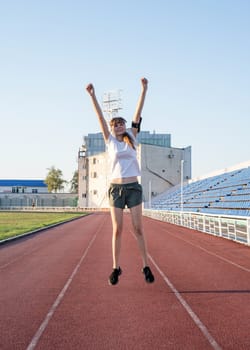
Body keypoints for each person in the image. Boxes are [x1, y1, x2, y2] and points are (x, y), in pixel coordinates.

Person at [86, 78, 155, 286]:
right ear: (111, 128)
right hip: (115, 189)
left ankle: (145, 266)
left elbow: (138, 110)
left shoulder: (132, 137)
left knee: (138, 228)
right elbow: (99, 116)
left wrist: (144, 89)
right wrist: (92, 95)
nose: (119, 126)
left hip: (133, 187)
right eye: (116, 124)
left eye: (121, 123)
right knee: (117, 229)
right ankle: (116, 268)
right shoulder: (109, 141)